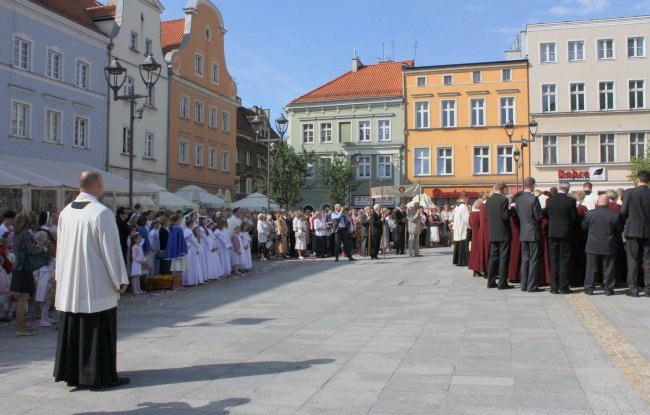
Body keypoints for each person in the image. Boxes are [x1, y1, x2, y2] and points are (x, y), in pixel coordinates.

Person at [54, 171, 130, 389]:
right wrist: (120, 278)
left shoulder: (65, 212)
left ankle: (72, 372)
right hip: (95, 281)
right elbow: (111, 250)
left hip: (70, 281)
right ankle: (100, 374)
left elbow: (59, 249)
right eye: (102, 183)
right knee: (97, 326)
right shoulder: (101, 213)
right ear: (96, 185)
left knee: (74, 325)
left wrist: (60, 277)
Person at [12, 210, 48, 335]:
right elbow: (32, 251)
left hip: (17, 268)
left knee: (21, 300)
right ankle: (21, 327)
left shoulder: (16, 233)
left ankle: (21, 325)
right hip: (24, 269)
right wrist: (42, 248)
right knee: (23, 299)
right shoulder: (26, 234)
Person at [582, 194, 623, 296]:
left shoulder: (589, 214)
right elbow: (619, 229)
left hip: (592, 244)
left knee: (591, 268)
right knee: (609, 268)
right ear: (608, 203)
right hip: (609, 244)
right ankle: (608, 289)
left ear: (597, 202)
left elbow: (584, 227)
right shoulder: (615, 214)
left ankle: (589, 288)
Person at [545, 181, 579, 294]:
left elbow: (546, 215)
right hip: (565, 234)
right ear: (568, 189)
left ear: (558, 187)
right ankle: (564, 286)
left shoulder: (549, 200)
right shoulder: (571, 201)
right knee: (564, 260)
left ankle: (554, 287)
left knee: (554, 260)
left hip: (552, 233)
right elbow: (575, 218)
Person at [620, 170, 650, 297]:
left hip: (632, 230)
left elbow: (623, 211)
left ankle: (633, 289)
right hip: (648, 231)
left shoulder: (629, 193)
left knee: (632, 260)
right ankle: (648, 289)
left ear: (637, 179)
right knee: (648, 261)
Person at [515, 177, 543, 293]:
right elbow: (538, 216)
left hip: (523, 232)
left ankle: (524, 285)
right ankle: (532, 286)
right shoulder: (534, 199)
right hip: (533, 232)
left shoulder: (519, 199)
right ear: (532, 185)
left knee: (525, 259)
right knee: (533, 260)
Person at [486, 182, 513, 289]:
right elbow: (505, 216)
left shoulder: (489, 200)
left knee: (493, 257)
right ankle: (502, 283)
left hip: (493, 232)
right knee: (503, 258)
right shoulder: (504, 200)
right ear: (503, 189)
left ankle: (491, 281)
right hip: (503, 232)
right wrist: (512, 210)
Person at [34, 231, 56, 326]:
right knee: (45, 296)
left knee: (48, 297)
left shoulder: (43, 247)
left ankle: (45, 316)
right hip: (43, 273)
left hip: (47, 271)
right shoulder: (38, 248)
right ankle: (43, 318)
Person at [165, 214, 188, 290]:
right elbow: (181, 241)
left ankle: (176, 285)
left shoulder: (172, 229)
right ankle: (177, 286)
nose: (181, 220)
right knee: (179, 270)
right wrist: (183, 250)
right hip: (179, 252)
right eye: (180, 219)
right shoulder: (178, 229)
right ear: (178, 220)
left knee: (177, 270)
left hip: (175, 252)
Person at [468, 199, 484, 277]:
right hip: (480, 235)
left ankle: (475, 269)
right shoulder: (480, 214)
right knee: (479, 253)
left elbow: (470, 225)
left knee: (474, 253)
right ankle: (478, 269)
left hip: (474, 235)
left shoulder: (471, 214)